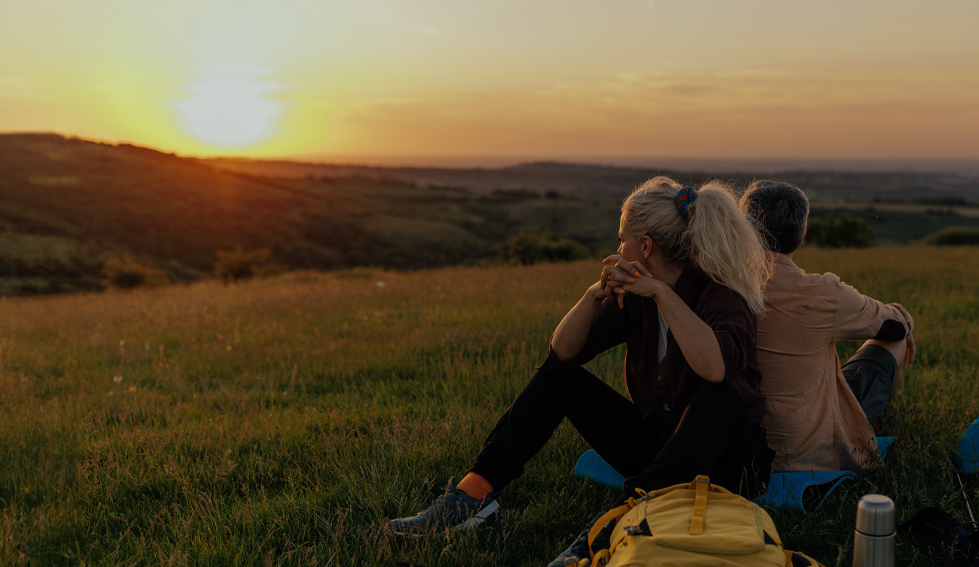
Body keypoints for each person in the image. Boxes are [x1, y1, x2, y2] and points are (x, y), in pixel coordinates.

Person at [386, 176, 774, 540]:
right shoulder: (633, 297)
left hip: (729, 465)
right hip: (659, 449)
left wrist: (661, 293)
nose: (617, 248)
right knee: (561, 379)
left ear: (645, 247)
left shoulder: (719, 294)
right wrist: (593, 295)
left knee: (718, 398)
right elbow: (562, 353)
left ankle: (619, 523)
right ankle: (472, 496)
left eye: (622, 239)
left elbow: (714, 367)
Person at [742, 181, 913, 472]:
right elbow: (895, 327)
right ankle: (873, 426)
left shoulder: (726, 286)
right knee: (896, 340)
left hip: (743, 442)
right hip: (809, 446)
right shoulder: (826, 293)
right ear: (803, 233)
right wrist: (900, 313)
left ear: (744, 230)